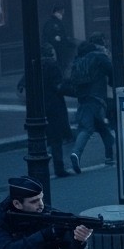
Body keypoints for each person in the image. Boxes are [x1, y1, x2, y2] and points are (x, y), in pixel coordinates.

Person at [67, 35, 116, 173]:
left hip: (83, 99)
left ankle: (109, 156)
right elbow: (112, 71)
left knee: (102, 129)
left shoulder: (80, 59)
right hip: (97, 98)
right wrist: (112, 83)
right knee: (88, 128)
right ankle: (76, 153)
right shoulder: (99, 56)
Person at [40, 46, 72, 179]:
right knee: (56, 139)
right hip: (54, 105)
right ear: (51, 53)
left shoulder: (35, 65)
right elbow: (58, 86)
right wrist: (72, 90)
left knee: (43, 138)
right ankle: (59, 167)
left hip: (39, 107)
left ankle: (41, 168)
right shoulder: (52, 65)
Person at [41, 4, 74, 75]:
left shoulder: (56, 22)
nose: (62, 14)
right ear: (57, 12)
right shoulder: (52, 23)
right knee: (60, 66)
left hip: (60, 49)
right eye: (61, 12)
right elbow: (51, 37)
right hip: (57, 49)